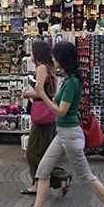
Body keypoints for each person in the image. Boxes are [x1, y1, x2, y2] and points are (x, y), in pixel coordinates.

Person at [13, 41, 104, 207]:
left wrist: (41, 94)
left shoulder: (72, 82)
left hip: (71, 136)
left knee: (87, 176)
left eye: (56, 56)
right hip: (63, 134)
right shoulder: (68, 78)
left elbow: (60, 111)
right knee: (42, 170)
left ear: (62, 59)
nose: (53, 59)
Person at [20, 41, 72, 196]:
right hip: (48, 112)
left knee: (33, 153)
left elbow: (39, 92)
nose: (30, 55)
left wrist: (26, 93)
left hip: (42, 113)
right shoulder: (49, 67)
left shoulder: (42, 68)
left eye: (32, 52)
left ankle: (61, 176)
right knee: (41, 151)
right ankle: (39, 183)